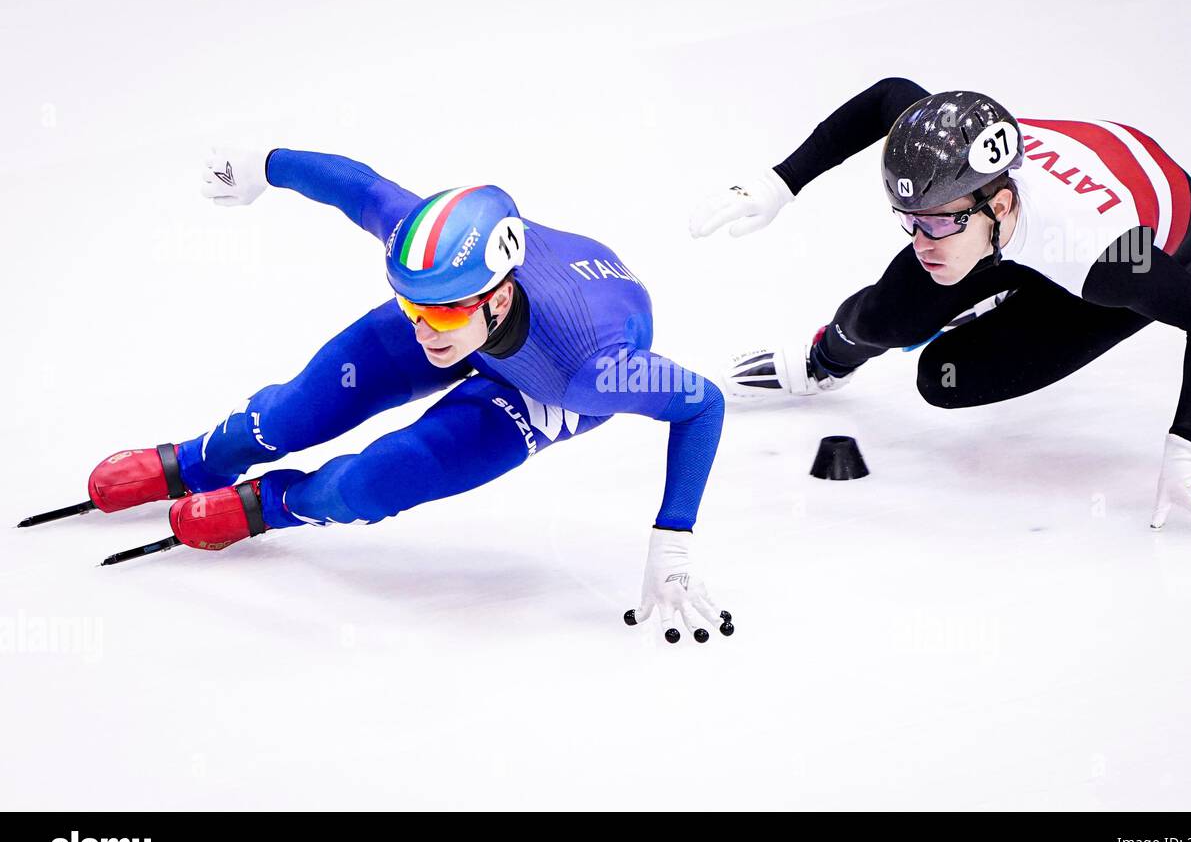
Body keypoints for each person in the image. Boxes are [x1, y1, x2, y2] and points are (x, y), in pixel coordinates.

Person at [82, 146, 733, 643]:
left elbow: (704, 404)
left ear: (500, 296)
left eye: (441, 314)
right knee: (290, 414)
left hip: (548, 384)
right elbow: (359, 189)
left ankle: (271, 505)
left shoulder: (597, 371)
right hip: (499, 326)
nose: (424, 330)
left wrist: (672, 536)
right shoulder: (438, 278)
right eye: (409, 304)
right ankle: (199, 460)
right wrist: (261, 165)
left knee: (369, 488)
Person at [689, 77, 1191, 535]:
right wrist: (778, 183)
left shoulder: (1111, 261)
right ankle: (827, 361)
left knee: (945, 379)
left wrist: (1187, 449)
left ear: (1001, 204)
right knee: (887, 318)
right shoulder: (952, 173)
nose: (919, 241)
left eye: (933, 222)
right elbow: (890, 95)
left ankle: (1013, 297)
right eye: (908, 221)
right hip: (1012, 227)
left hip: (1148, 243)